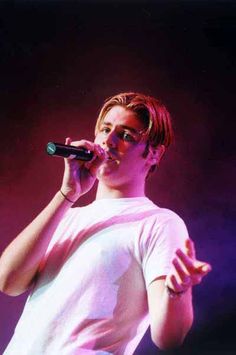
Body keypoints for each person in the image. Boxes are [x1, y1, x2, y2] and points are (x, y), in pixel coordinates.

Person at [0, 92, 211, 354]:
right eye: (105, 129)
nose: (108, 141)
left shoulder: (159, 223)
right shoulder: (68, 216)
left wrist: (177, 294)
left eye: (125, 136)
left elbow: (168, 339)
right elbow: (8, 281)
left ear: (154, 154)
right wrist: (67, 194)